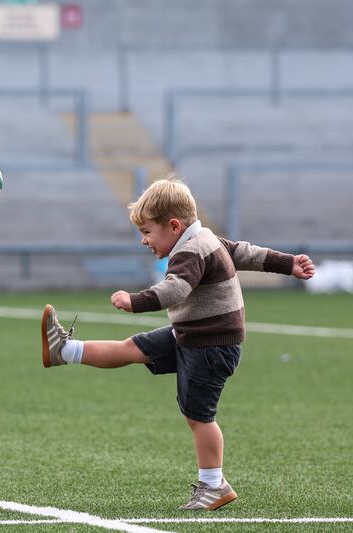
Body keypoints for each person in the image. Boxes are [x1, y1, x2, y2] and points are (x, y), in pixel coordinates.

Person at [41, 176, 315, 511]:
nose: (143, 241)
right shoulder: (204, 239)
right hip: (192, 334)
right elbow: (246, 253)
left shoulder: (191, 250)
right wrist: (289, 263)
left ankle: (214, 485)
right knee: (134, 348)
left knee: (199, 416)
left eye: (146, 232)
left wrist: (136, 300)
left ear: (173, 226)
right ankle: (63, 351)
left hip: (210, 346)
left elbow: (176, 289)